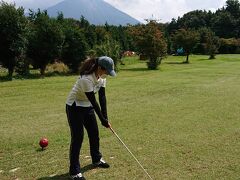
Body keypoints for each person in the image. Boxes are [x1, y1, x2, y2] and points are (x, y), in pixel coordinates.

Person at [65, 56, 116, 180]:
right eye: (106, 71)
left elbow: (102, 98)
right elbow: (94, 101)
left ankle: (97, 159)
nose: (107, 74)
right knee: (78, 137)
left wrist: (106, 118)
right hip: (74, 106)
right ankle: (74, 172)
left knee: (94, 133)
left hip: (87, 106)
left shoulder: (102, 77)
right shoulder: (86, 79)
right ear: (99, 68)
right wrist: (102, 120)